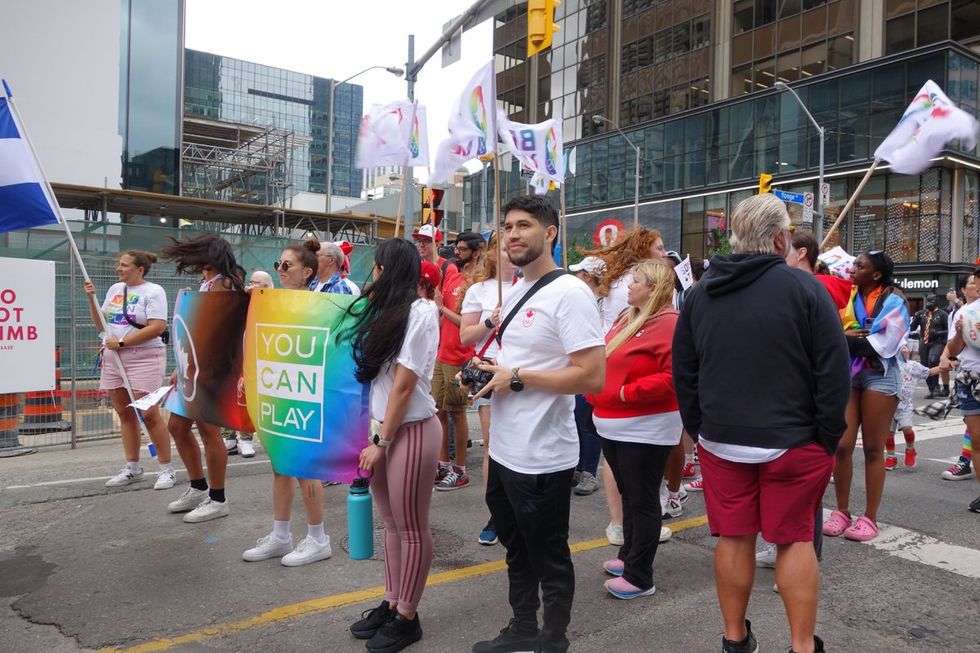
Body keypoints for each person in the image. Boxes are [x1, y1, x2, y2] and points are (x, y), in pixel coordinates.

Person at [673, 194, 850, 653]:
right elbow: (833, 375)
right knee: (793, 541)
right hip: (794, 442)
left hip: (722, 441)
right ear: (779, 238)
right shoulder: (807, 289)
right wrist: (826, 440)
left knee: (734, 537)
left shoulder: (699, 294)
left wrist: (701, 429)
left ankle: (735, 640)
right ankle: (802, 645)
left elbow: (685, 373)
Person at [470, 195, 605, 653]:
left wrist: (521, 377)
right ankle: (523, 627)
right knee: (515, 547)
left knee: (549, 555)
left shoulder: (570, 293)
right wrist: (493, 368)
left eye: (524, 226)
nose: (512, 235)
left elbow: (592, 375)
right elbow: (519, 360)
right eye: (507, 226)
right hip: (504, 449)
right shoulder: (511, 291)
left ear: (550, 233)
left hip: (543, 455)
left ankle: (553, 639)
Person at [345, 241, 442, 653]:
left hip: (411, 430)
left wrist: (382, 440)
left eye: (377, 268)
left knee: (411, 526)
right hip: (382, 431)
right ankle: (391, 600)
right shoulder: (384, 311)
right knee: (391, 524)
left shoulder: (422, 311)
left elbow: (404, 385)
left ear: (385, 269)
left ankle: (407, 615)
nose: (374, 275)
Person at [585, 259, 679, 600]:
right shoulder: (630, 316)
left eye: (635, 280)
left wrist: (626, 392)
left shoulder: (669, 322)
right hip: (614, 423)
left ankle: (641, 576)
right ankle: (629, 558)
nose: (628, 286)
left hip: (645, 426)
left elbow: (673, 377)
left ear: (652, 288)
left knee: (642, 500)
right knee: (631, 496)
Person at [242, 242, 333, 566]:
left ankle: (318, 538)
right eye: (278, 264)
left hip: (305, 394)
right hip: (279, 392)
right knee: (280, 467)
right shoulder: (271, 302)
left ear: (307, 272)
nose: (280, 270)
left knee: (305, 468)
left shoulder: (319, 304)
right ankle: (281, 535)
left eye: (286, 266)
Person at [586, 227, 666, 545]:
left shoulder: (620, 280)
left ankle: (626, 526)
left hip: (614, 378)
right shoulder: (630, 288)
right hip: (621, 379)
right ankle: (623, 525)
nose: (663, 252)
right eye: (659, 248)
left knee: (620, 461)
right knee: (627, 468)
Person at [824, 250, 909, 543]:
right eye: (854, 264)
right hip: (848, 375)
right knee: (842, 446)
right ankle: (842, 511)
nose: (852, 268)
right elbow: (828, 331)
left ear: (876, 275)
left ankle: (869, 517)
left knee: (874, 448)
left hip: (880, 376)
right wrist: (847, 339)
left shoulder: (895, 301)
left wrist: (846, 341)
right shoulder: (844, 296)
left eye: (860, 266)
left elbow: (881, 345)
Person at [160, 234, 246, 523]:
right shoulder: (209, 282)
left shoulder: (226, 283)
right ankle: (198, 486)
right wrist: (181, 366)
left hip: (213, 370)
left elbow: (221, 331)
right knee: (176, 425)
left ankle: (218, 497)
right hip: (194, 368)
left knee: (209, 432)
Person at [83, 251, 174, 490]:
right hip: (113, 357)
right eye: (118, 265)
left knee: (149, 413)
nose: (118, 269)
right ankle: (133, 468)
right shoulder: (115, 289)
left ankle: (166, 469)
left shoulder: (154, 291)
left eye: (124, 265)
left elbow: (157, 326)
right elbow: (101, 322)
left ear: (139, 269)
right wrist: (91, 300)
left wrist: (124, 343)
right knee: (124, 413)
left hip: (144, 357)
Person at [459, 233, 520, 545]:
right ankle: (496, 513)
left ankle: (518, 509)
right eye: (504, 249)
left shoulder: (533, 286)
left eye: (514, 248)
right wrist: (489, 322)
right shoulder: (478, 290)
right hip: (489, 374)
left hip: (524, 376)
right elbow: (465, 337)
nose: (510, 254)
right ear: (492, 254)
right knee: (493, 445)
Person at [433, 232, 483, 491]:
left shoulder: (478, 282)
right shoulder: (451, 274)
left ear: (476, 252)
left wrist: (442, 309)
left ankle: (460, 469)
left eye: (463, 249)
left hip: (460, 356)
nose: (458, 252)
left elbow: (468, 324)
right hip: (441, 353)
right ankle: (443, 464)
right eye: (457, 247)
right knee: (439, 411)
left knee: (457, 412)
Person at [940, 267, 980, 514]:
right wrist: (958, 334)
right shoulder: (965, 313)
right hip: (968, 378)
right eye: (977, 281)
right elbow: (953, 349)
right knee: (977, 440)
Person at [223, 270, 274, 459]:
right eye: (251, 281)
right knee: (230, 394)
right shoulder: (243, 302)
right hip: (236, 355)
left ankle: (246, 438)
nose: (251, 285)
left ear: (267, 286)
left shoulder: (271, 302)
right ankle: (229, 437)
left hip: (259, 358)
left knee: (248, 397)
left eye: (257, 282)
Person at [568, 256, 605, 497]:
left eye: (580, 272)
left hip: (594, 368)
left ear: (589, 276)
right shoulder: (582, 298)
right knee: (577, 418)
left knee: (589, 423)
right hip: (577, 365)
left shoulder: (604, 301)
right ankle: (579, 467)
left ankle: (589, 472)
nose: (576, 276)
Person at [885, 345, 942, 471]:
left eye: (905, 347)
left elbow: (929, 372)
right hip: (888, 404)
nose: (904, 349)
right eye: (900, 347)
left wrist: (944, 367)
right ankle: (891, 457)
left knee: (907, 428)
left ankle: (910, 450)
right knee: (888, 433)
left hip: (905, 406)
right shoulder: (888, 365)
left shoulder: (913, 366)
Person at [910, 294, 949, 397]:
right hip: (924, 342)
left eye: (932, 301)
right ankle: (931, 389)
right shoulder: (922, 314)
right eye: (928, 301)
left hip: (937, 341)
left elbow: (949, 330)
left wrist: (938, 332)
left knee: (933, 360)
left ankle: (936, 386)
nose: (929, 304)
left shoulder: (943, 314)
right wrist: (915, 318)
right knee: (924, 366)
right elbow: (912, 328)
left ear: (936, 302)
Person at [413, 224, 456, 288]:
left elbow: (448, 296)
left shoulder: (449, 268)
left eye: (426, 241)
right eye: (419, 241)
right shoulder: (416, 266)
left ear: (437, 244)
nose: (421, 245)